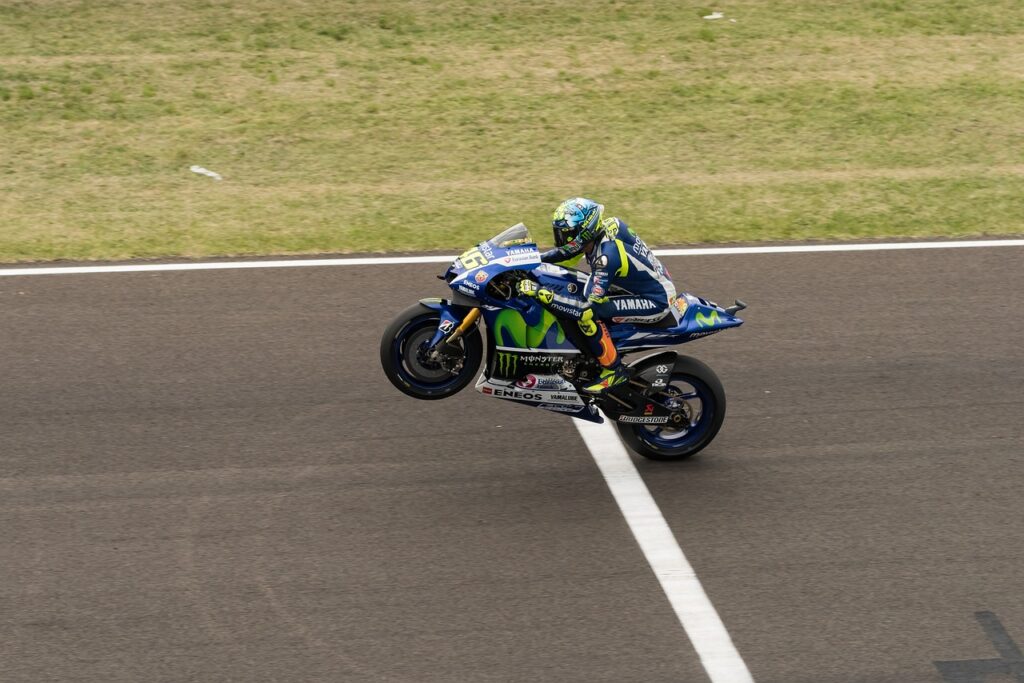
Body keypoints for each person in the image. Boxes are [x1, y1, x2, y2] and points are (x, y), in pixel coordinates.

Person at [517, 197, 678, 393]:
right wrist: (530, 259)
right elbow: (567, 253)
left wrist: (542, 294)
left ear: (585, 231)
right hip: (644, 284)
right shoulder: (605, 228)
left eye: (568, 234)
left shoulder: (606, 258)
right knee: (575, 288)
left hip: (656, 299)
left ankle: (613, 370)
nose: (564, 239)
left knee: (589, 314)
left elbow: (586, 308)